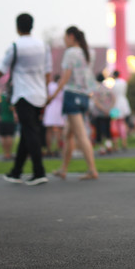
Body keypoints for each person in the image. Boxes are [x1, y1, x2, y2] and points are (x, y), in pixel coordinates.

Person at [0, 13, 52, 185]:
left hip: (23, 95)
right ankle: (16, 171)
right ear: (32, 26)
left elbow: (2, 68)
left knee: (30, 132)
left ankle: (39, 172)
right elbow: (48, 71)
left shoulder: (15, 46)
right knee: (28, 131)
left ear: (17, 27)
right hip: (39, 94)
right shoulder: (43, 46)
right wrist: (47, 92)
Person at [47, 26, 99, 180]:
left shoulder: (70, 53)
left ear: (71, 36)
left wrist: (53, 95)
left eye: (65, 37)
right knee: (67, 134)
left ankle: (92, 170)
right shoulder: (89, 52)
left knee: (81, 135)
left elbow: (65, 76)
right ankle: (63, 169)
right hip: (84, 95)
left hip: (72, 95)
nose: (64, 40)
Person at [43, 74, 65, 157]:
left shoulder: (50, 86)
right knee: (59, 131)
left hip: (50, 109)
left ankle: (49, 149)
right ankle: (57, 149)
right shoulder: (61, 88)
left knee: (49, 131)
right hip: (59, 110)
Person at [110, 70, 131, 151]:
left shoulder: (114, 85)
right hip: (123, 104)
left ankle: (115, 143)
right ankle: (124, 142)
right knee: (122, 123)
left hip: (115, 105)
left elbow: (113, 96)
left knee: (114, 124)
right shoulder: (124, 82)